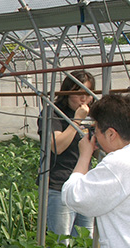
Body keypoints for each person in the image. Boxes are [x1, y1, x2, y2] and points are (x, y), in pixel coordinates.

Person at [62, 94, 130, 248]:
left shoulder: (119, 164)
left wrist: (84, 156)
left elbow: (74, 196)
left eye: (97, 131)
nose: (96, 138)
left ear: (111, 134)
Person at [38, 70, 95, 238]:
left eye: (88, 93)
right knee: (60, 243)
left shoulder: (91, 117)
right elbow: (57, 146)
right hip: (59, 187)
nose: (83, 99)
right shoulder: (53, 113)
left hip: (85, 186)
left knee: (85, 241)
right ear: (67, 93)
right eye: (78, 94)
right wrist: (77, 120)